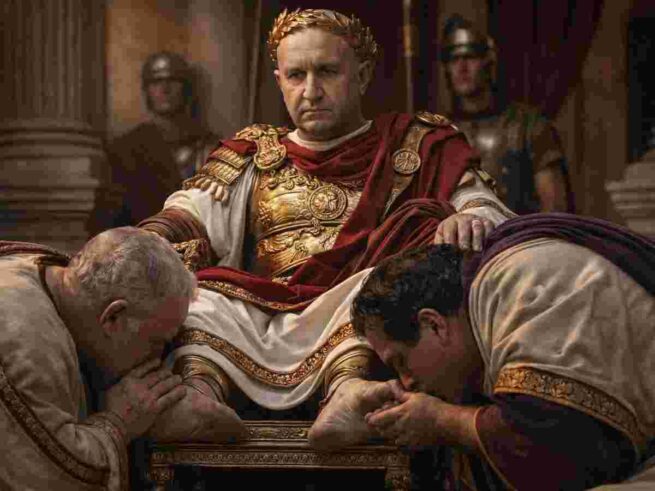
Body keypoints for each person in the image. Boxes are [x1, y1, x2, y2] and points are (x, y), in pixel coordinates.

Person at [140, 8, 515, 450]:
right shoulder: (252, 153)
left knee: (376, 290)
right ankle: (200, 393)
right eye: (296, 75)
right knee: (200, 299)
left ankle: (349, 391)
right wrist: (150, 239)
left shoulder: (416, 144)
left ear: (363, 75)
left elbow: (480, 204)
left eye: (327, 72)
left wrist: (467, 215)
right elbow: (190, 214)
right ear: (279, 80)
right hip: (263, 308)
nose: (311, 91)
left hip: (358, 297)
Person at [352, 213, 655, 490]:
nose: (407, 382)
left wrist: (443, 420)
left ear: (434, 324)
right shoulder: (484, 309)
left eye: (401, 362)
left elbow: (562, 447)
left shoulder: (519, 282)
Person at [0, 228, 215, 490]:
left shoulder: (41, 270)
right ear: (113, 317)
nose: (157, 359)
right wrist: (118, 423)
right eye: (156, 342)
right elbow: (53, 477)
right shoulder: (25, 343)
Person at [442, 15, 572, 214]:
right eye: (454, 59)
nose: (462, 68)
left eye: (470, 57)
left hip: (520, 232)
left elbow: (554, 209)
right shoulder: (443, 132)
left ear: (488, 61)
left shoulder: (528, 125)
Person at [89, 51, 217, 233]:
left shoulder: (210, 146)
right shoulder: (124, 149)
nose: (165, 89)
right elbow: (106, 220)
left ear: (185, 89)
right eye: (156, 82)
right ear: (146, 90)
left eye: (173, 81)